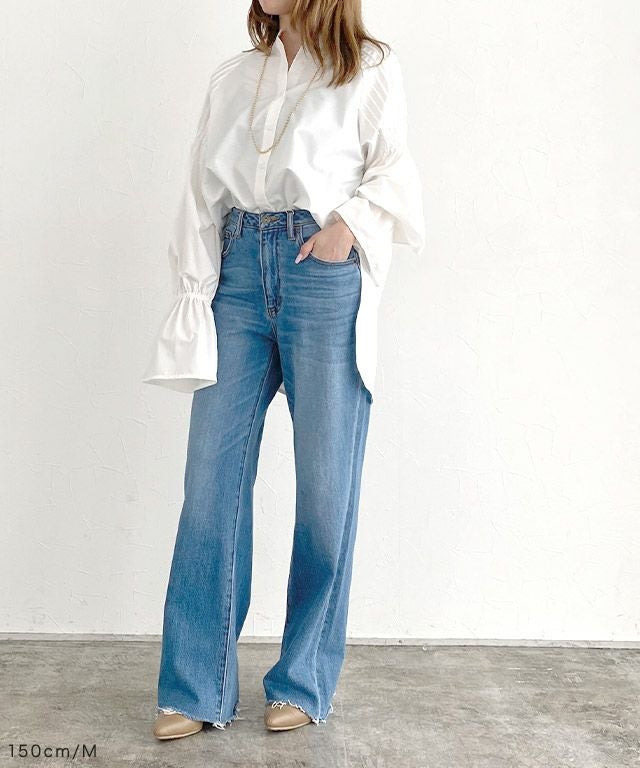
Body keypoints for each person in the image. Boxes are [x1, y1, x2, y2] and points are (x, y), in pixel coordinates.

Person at [144, 0, 425, 741]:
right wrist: (196, 292)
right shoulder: (235, 76)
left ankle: (303, 680)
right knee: (210, 487)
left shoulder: (369, 68)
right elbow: (199, 194)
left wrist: (346, 228)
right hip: (237, 272)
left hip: (321, 275)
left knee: (327, 491)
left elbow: (393, 173)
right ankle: (196, 686)